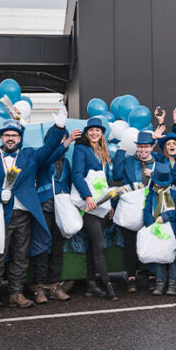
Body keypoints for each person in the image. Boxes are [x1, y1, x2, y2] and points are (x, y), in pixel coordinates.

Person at [0, 112, 73, 313]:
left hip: (24, 215)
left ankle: (16, 294)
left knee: (20, 257)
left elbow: (49, 148)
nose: (11, 138)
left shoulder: (29, 155)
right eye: (7, 135)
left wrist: (59, 128)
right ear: (1, 137)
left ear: (20, 138)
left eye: (15, 135)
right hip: (0, 214)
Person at [70, 117, 119, 301]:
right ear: (86, 132)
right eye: (91, 130)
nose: (94, 133)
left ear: (102, 133)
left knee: (93, 247)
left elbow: (103, 183)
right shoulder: (81, 148)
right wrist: (87, 197)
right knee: (99, 246)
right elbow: (77, 174)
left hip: (100, 205)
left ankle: (91, 285)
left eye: (98, 130)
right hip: (88, 206)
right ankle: (108, 286)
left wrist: (109, 205)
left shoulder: (101, 151)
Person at [31, 125, 80, 304]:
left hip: (62, 210)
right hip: (44, 208)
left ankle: (54, 286)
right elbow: (49, 156)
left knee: (58, 249)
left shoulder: (66, 162)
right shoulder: (43, 158)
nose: (62, 141)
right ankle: (39, 288)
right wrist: (66, 142)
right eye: (58, 138)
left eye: (64, 138)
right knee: (42, 248)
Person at [120, 131, 164, 292]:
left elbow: (167, 180)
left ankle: (152, 276)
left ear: (152, 147)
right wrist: (119, 152)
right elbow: (117, 174)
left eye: (146, 147)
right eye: (140, 146)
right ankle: (131, 277)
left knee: (150, 240)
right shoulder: (128, 160)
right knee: (130, 243)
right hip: (131, 206)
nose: (143, 150)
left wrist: (155, 175)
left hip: (152, 206)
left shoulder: (158, 162)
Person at [142, 162, 176, 296]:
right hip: (156, 228)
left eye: (162, 183)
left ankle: (173, 282)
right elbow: (146, 210)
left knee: (172, 256)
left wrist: (165, 216)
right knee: (158, 255)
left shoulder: (175, 195)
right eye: (157, 182)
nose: (159, 185)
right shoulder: (151, 194)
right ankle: (160, 282)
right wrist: (151, 223)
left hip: (171, 229)